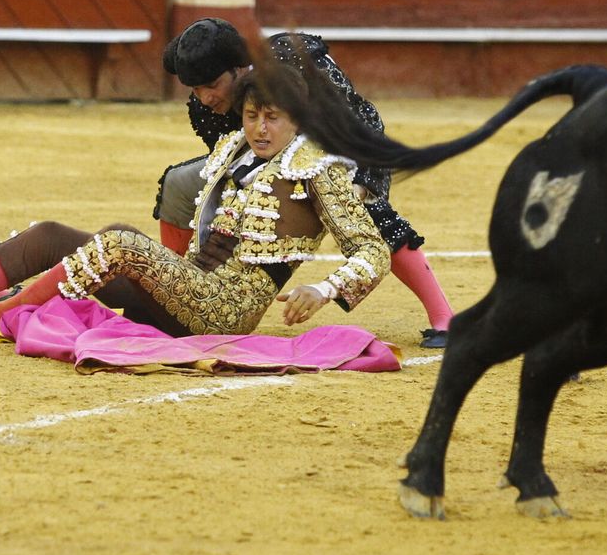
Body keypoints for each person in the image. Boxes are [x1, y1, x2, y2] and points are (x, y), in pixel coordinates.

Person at [0, 61, 390, 341]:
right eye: (252, 116)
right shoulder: (234, 149)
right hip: (187, 287)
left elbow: (373, 250)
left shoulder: (320, 169)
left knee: (121, 241)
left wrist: (323, 288)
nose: (260, 128)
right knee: (55, 235)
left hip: (225, 311)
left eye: (273, 117)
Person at [156, 18, 455, 347]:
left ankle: (443, 317)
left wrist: (363, 182)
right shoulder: (204, 106)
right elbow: (227, 162)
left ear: (237, 68)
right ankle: (180, 290)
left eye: (212, 84)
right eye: (195, 89)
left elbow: (364, 120)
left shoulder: (294, 59)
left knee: (370, 210)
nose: (204, 97)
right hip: (266, 164)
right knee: (179, 183)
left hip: (334, 153)